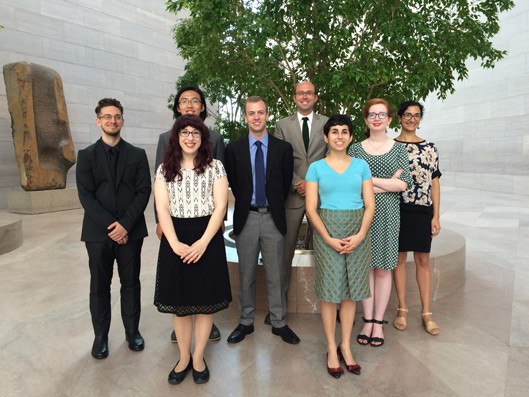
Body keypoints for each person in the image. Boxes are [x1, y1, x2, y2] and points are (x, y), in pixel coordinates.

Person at [153, 115, 231, 385]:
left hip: (207, 237)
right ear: (176, 137)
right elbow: (162, 208)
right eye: (184, 132)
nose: (190, 137)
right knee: (180, 305)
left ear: (202, 138)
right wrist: (174, 244)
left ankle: (198, 357)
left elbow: (220, 206)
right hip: (175, 237)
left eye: (195, 133)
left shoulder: (215, 167)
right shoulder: (165, 169)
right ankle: (183, 357)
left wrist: (203, 242)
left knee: (205, 303)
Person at [76, 98, 151, 359]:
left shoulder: (137, 154)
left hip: (132, 232)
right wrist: (113, 227)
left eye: (116, 116)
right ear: (98, 121)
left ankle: (133, 332)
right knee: (99, 286)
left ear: (122, 120)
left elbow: (143, 192)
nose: (112, 120)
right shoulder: (85, 156)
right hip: (98, 235)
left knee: (131, 284)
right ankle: (100, 337)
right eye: (107, 116)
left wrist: (126, 225)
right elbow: (86, 196)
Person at [225, 96, 300, 345]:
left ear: (267, 114)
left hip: (273, 217)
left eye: (260, 112)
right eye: (251, 113)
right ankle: (246, 321)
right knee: (246, 273)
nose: (256, 117)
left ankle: (279, 322)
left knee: (276, 274)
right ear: (245, 117)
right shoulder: (233, 149)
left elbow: (285, 182)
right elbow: (236, 183)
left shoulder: (283, 149)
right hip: (246, 217)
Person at [305, 115, 375, 378]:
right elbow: (311, 210)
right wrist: (328, 238)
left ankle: (345, 346)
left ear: (351, 137)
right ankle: (331, 349)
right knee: (330, 292)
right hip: (327, 232)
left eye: (345, 131)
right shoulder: (316, 168)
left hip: (357, 230)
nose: (339, 136)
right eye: (334, 131)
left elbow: (370, 205)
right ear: (326, 137)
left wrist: (359, 235)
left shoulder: (361, 166)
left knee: (349, 292)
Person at [155, 85, 225, 343]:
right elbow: (160, 195)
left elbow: (220, 196)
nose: (190, 138)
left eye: (195, 101)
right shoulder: (165, 143)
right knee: (179, 292)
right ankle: (184, 346)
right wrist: (162, 226)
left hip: (207, 225)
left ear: (203, 107)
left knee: (206, 289)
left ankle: (201, 347)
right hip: (175, 225)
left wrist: (216, 228)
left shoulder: (215, 142)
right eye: (184, 101)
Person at [348, 98, 411, 347]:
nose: (377, 118)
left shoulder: (398, 149)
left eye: (381, 114)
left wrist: (370, 182)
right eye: (372, 114)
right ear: (365, 119)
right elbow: (353, 181)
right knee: (365, 269)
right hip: (361, 213)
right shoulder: (355, 149)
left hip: (388, 214)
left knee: (384, 269)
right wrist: (387, 181)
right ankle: (366, 320)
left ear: (389, 119)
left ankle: (378, 322)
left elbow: (403, 184)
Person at [273, 81, 328, 324]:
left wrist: (313, 183)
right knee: (283, 253)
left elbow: (331, 156)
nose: (304, 96)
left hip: (322, 195)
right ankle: (279, 307)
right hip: (292, 196)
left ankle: (332, 303)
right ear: (294, 97)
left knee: (327, 251)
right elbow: (278, 159)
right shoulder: (282, 125)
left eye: (309, 93)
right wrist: (298, 182)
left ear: (315, 97)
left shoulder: (327, 124)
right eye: (300, 93)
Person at [392, 101, 441, 335]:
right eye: (408, 115)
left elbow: (435, 182)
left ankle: (426, 312)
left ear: (420, 119)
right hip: (397, 208)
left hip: (422, 210)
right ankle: (402, 309)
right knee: (399, 260)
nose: (412, 119)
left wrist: (436, 216)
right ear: (399, 118)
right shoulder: (390, 146)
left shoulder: (430, 147)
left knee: (423, 260)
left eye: (417, 115)